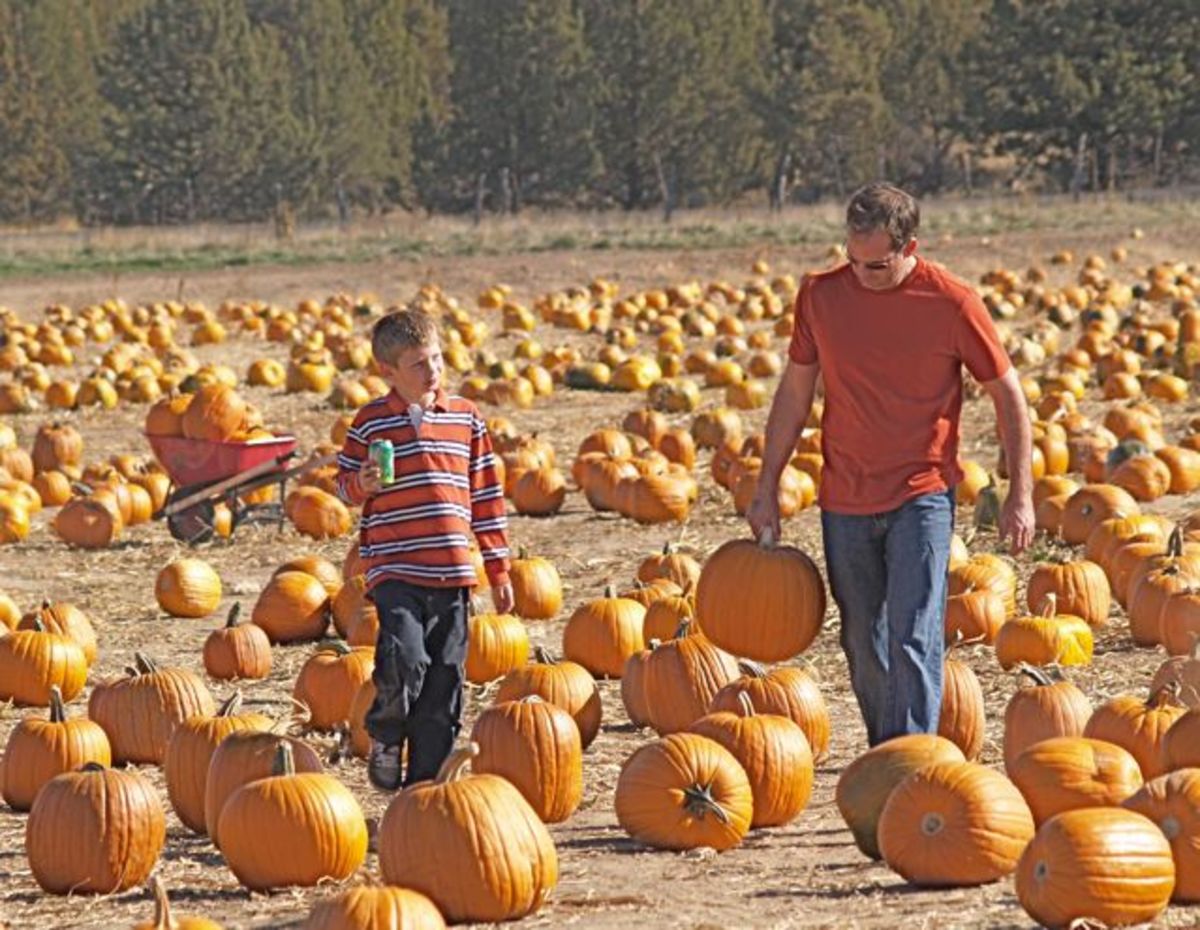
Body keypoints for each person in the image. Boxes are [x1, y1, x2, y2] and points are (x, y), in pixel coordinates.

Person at [747, 182, 1034, 747]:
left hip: (920, 493)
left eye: (876, 266)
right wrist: (767, 484)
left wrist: (1020, 492)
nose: (861, 274)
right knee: (862, 639)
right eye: (852, 260)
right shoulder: (820, 295)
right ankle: (888, 756)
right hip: (844, 496)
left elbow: (1009, 394)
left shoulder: (952, 302)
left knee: (913, 634)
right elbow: (795, 393)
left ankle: (908, 762)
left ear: (911, 248)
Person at [336, 307, 514, 789]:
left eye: (437, 358)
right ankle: (387, 734)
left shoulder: (466, 419)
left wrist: (498, 570)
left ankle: (424, 787)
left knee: (444, 683)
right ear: (387, 372)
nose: (432, 371)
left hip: (453, 571)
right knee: (403, 658)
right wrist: (361, 484)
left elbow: (486, 498)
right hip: (395, 568)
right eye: (418, 364)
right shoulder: (371, 422)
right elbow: (341, 486)